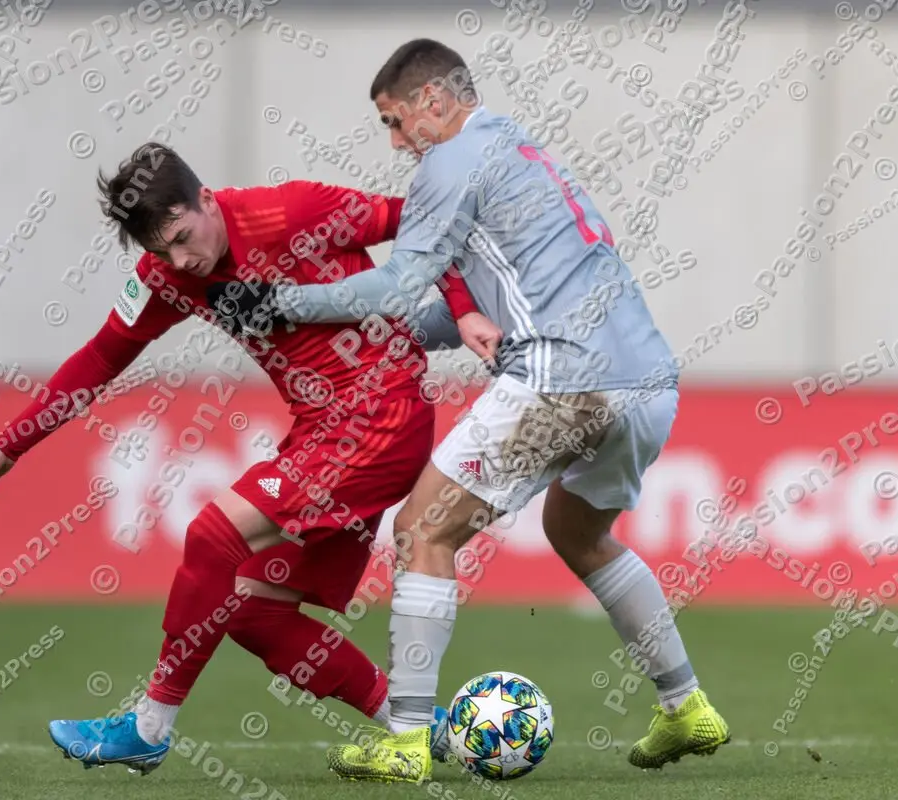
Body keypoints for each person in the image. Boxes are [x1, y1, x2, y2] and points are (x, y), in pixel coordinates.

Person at [211, 39, 731, 782]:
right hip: (647, 384)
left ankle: (406, 740)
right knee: (577, 533)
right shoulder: (518, 149)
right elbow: (480, 307)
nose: (395, 143)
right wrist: (398, 340)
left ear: (435, 101)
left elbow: (392, 287)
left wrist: (277, 304)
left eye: (395, 122)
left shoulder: (448, 164)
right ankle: (686, 706)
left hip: (566, 383)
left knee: (423, 528)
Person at [0, 142, 503, 775]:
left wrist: (463, 311)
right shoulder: (170, 275)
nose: (181, 259)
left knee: (212, 536)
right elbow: (101, 358)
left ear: (207, 201)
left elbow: (431, 225)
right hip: (320, 431)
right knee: (250, 606)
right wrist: (8, 444)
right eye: (162, 251)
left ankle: (148, 726)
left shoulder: (293, 211)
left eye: (185, 236)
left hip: (377, 417)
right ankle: (418, 730)